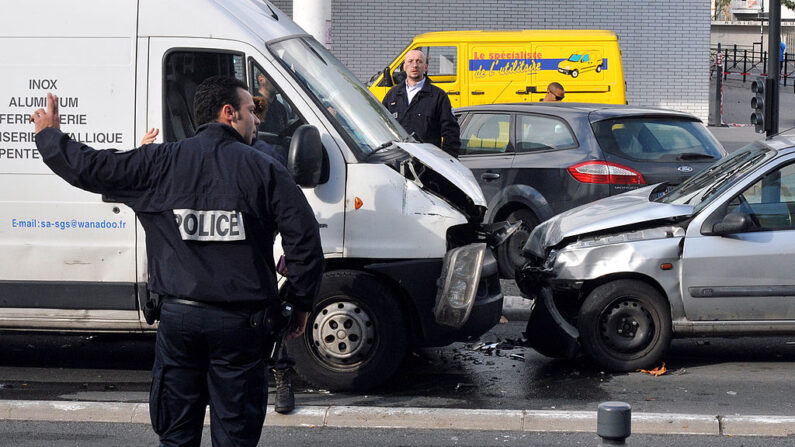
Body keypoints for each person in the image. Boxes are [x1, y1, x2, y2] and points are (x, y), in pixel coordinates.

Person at [31, 76, 325, 447]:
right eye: (252, 110)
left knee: (176, 435)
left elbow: (90, 168)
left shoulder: (159, 162)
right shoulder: (264, 168)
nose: (257, 119)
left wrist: (50, 137)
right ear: (228, 113)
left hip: (179, 323)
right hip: (242, 327)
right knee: (235, 435)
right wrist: (300, 305)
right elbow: (305, 243)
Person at [381, 49, 461, 157]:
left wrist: (448, 159)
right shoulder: (392, 95)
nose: (414, 65)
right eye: (410, 61)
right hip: (398, 162)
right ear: (404, 67)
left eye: (419, 61)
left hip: (428, 164)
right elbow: (381, 127)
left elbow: (451, 132)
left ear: (426, 67)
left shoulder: (438, 96)